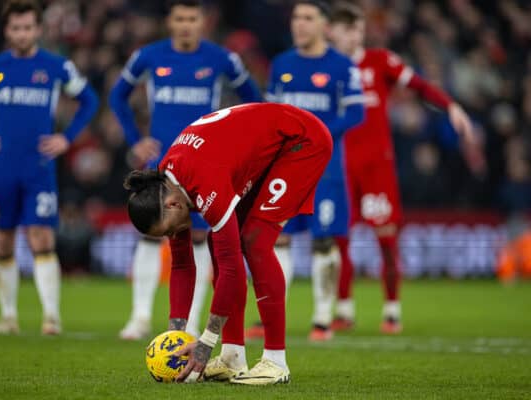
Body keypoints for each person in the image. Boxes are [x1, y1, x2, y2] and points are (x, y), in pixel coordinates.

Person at [124, 103, 332, 384]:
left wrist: (206, 342)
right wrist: (176, 335)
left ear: (173, 205)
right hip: (266, 148)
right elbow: (183, 264)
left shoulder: (202, 180)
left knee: (255, 241)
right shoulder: (168, 184)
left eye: (171, 230)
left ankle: (276, 362)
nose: (174, 235)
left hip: (301, 140)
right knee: (216, 242)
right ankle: (233, 356)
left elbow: (233, 269)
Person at [109, 0, 261, 340]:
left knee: (197, 238)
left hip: (204, 164)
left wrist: (233, 142)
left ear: (202, 21)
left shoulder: (222, 58)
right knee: (152, 235)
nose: (186, 25)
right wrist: (136, 140)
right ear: (170, 21)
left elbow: (253, 100)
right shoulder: (148, 56)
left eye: (192, 18)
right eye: (180, 18)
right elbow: (117, 97)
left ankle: (191, 323)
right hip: (161, 163)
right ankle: (140, 317)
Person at [326, 2, 479, 333]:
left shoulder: (381, 61)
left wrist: (450, 106)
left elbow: (420, 86)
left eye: (355, 30)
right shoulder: (328, 69)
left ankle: (392, 309)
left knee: (386, 238)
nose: (351, 35)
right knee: (339, 239)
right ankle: (344, 309)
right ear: (333, 32)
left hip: (376, 166)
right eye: (344, 30)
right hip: (340, 166)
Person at [0, 0, 98, 335]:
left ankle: (51, 317)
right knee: (3, 240)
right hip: (2, 165)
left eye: (28, 27)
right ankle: (8, 317)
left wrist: (67, 138)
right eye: (16, 28)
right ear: (8, 31)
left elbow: (89, 99)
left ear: (38, 29)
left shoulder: (56, 66)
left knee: (42, 237)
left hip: (39, 166)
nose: (22, 33)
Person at [246, 0, 364, 342]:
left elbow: (357, 115)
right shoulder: (281, 64)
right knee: (277, 238)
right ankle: (270, 316)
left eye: (308, 18)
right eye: (296, 17)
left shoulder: (343, 66)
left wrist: (316, 134)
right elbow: (270, 114)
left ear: (324, 25)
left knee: (323, 240)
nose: (300, 24)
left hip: (325, 169)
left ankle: (322, 319)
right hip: (284, 169)